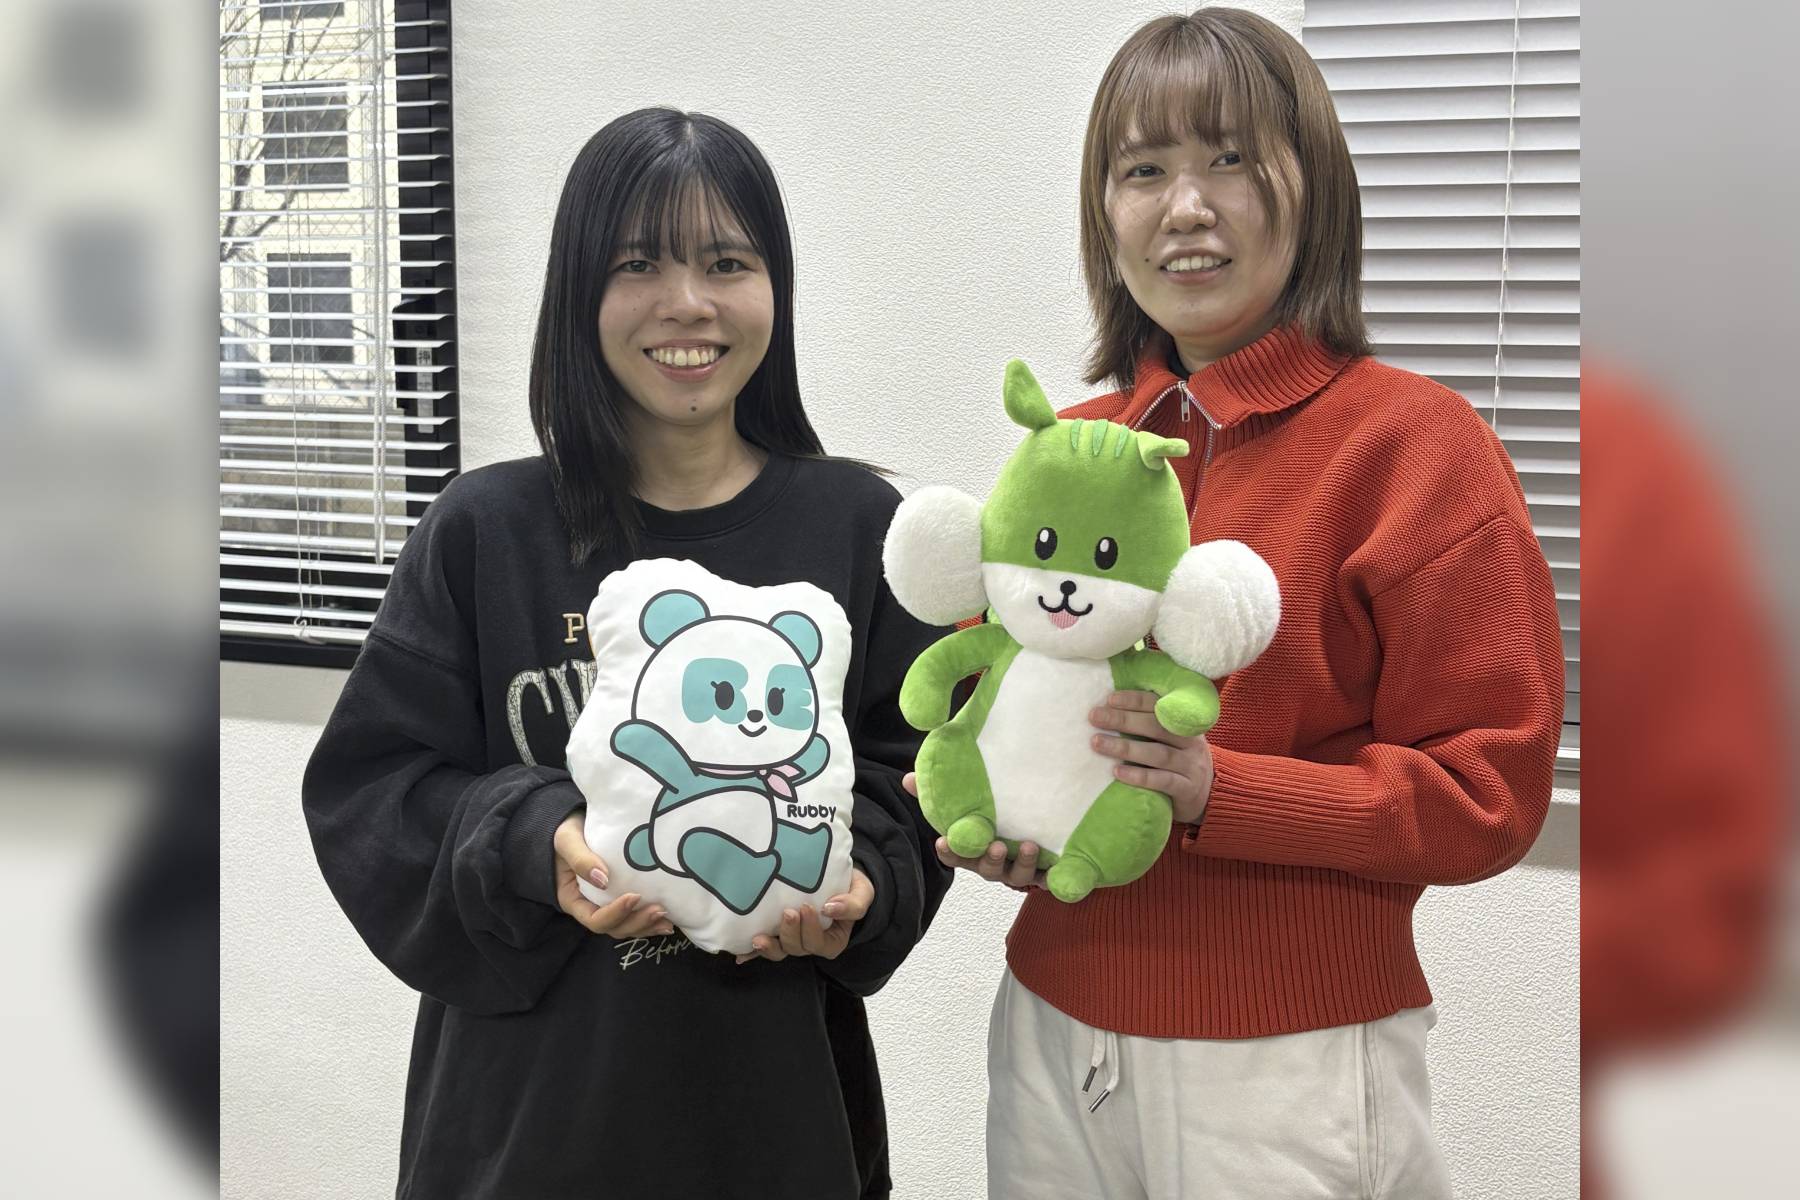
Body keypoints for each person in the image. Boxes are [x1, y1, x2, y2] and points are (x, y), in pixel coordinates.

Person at [909, 10, 1564, 1197]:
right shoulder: (1072, 449)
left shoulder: (1415, 447)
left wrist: (1219, 792)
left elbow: (1489, 798)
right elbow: (1002, 692)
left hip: (1287, 1061)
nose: (1186, 207)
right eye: (1142, 170)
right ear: (1103, 213)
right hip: (1051, 1023)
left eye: (1229, 160)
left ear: (1313, 191)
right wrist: (998, 816)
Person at [303, 107, 948, 1200]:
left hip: (779, 1120)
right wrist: (534, 839)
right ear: (578, 293)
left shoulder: (854, 527)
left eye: (727, 262)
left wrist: (864, 886)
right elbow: (370, 794)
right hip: (523, 1131)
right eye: (637, 263)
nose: (687, 303)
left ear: (776, 288)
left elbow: (915, 775)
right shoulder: (484, 530)